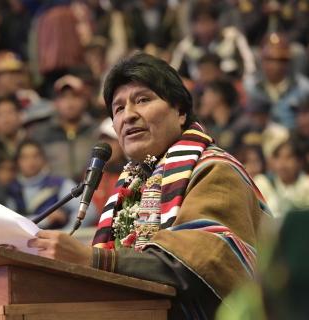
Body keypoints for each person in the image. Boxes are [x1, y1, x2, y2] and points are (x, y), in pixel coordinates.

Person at [27, 52, 271, 319]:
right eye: (118, 109)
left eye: (142, 100)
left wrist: (92, 259)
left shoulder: (215, 169)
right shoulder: (130, 188)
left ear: (180, 111)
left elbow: (197, 265)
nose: (128, 116)